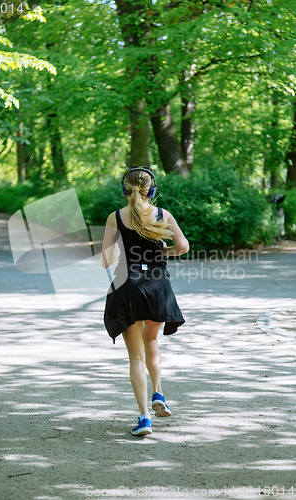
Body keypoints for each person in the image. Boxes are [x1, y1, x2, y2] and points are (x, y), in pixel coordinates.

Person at [101, 167, 189, 436]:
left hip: (127, 287)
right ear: (152, 189)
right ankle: (159, 392)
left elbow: (105, 259)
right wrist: (164, 250)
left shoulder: (116, 217)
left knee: (135, 356)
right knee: (151, 340)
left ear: (124, 190)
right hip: (157, 285)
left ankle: (144, 418)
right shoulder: (163, 215)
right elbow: (183, 246)